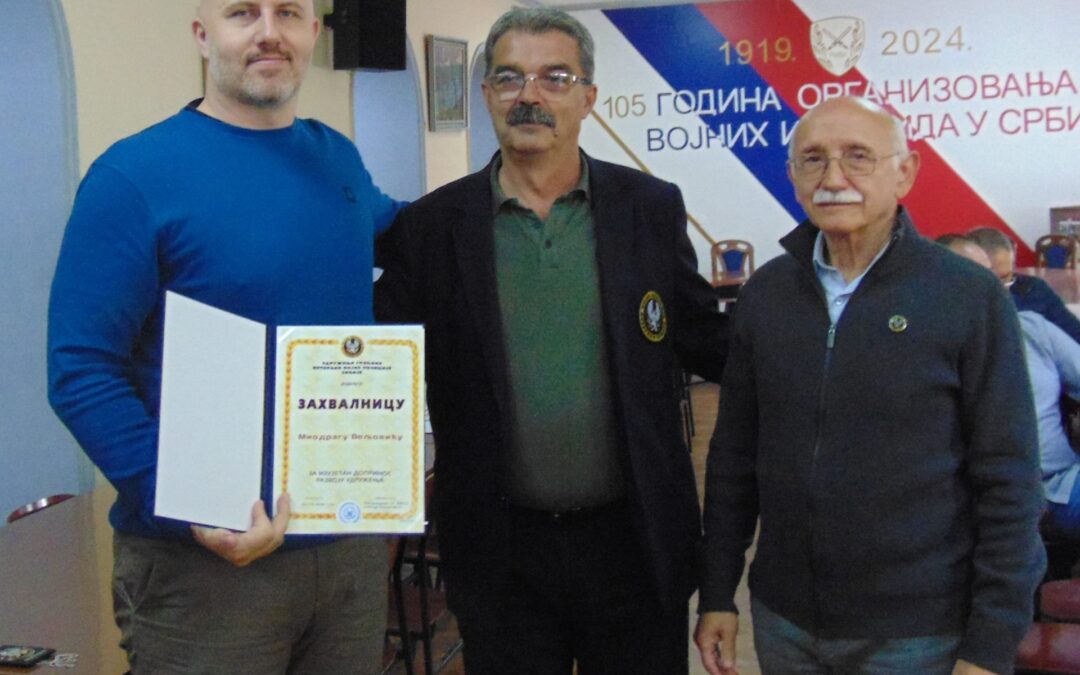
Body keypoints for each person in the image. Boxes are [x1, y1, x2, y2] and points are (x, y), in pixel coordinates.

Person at [47, 1, 405, 672]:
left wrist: (508, 191)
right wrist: (184, 503)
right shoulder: (133, 176)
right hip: (205, 570)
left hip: (346, 545)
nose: (269, 32)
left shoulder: (337, 159)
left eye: (288, 12)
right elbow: (81, 370)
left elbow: (405, 232)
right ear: (202, 34)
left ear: (313, 32)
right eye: (243, 12)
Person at [374, 8, 728, 673]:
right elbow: (375, 361)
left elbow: (708, 339)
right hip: (501, 554)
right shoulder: (433, 227)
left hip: (634, 544)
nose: (529, 95)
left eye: (554, 78)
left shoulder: (648, 207)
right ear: (486, 93)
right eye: (509, 77)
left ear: (588, 96)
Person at [694, 96, 1045, 675]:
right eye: (813, 159)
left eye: (858, 156)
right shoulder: (766, 295)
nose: (834, 178)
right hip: (785, 622)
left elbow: (1010, 478)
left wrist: (990, 643)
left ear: (904, 172)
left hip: (918, 632)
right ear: (793, 176)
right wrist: (716, 592)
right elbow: (734, 456)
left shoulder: (968, 296)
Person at [946, 237, 1080, 540]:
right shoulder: (931, 351)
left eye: (1004, 282)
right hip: (1033, 493)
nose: (1000, 293)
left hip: (1067, 477)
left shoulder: (1032, 327)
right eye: (984, 282)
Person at [967, 225, 1080, 344]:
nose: (1000, 288)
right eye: (990, 280)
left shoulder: (1033, 289)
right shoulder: (958, 302)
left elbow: (1074, 331)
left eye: (1006, 277)